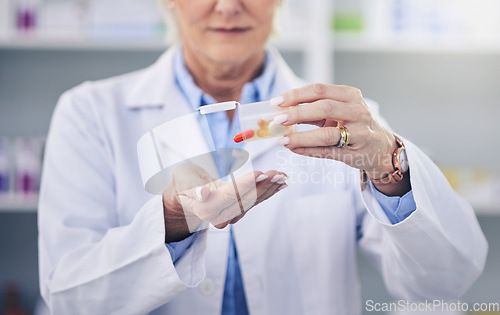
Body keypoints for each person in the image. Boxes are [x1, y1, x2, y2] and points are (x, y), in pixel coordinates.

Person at [38, 0, 488, 314]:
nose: (229, 5)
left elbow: (443, 281)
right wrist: (173, 219)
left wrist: (390, 168)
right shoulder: (91, 114)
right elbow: (69, 299)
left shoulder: (347, 123)